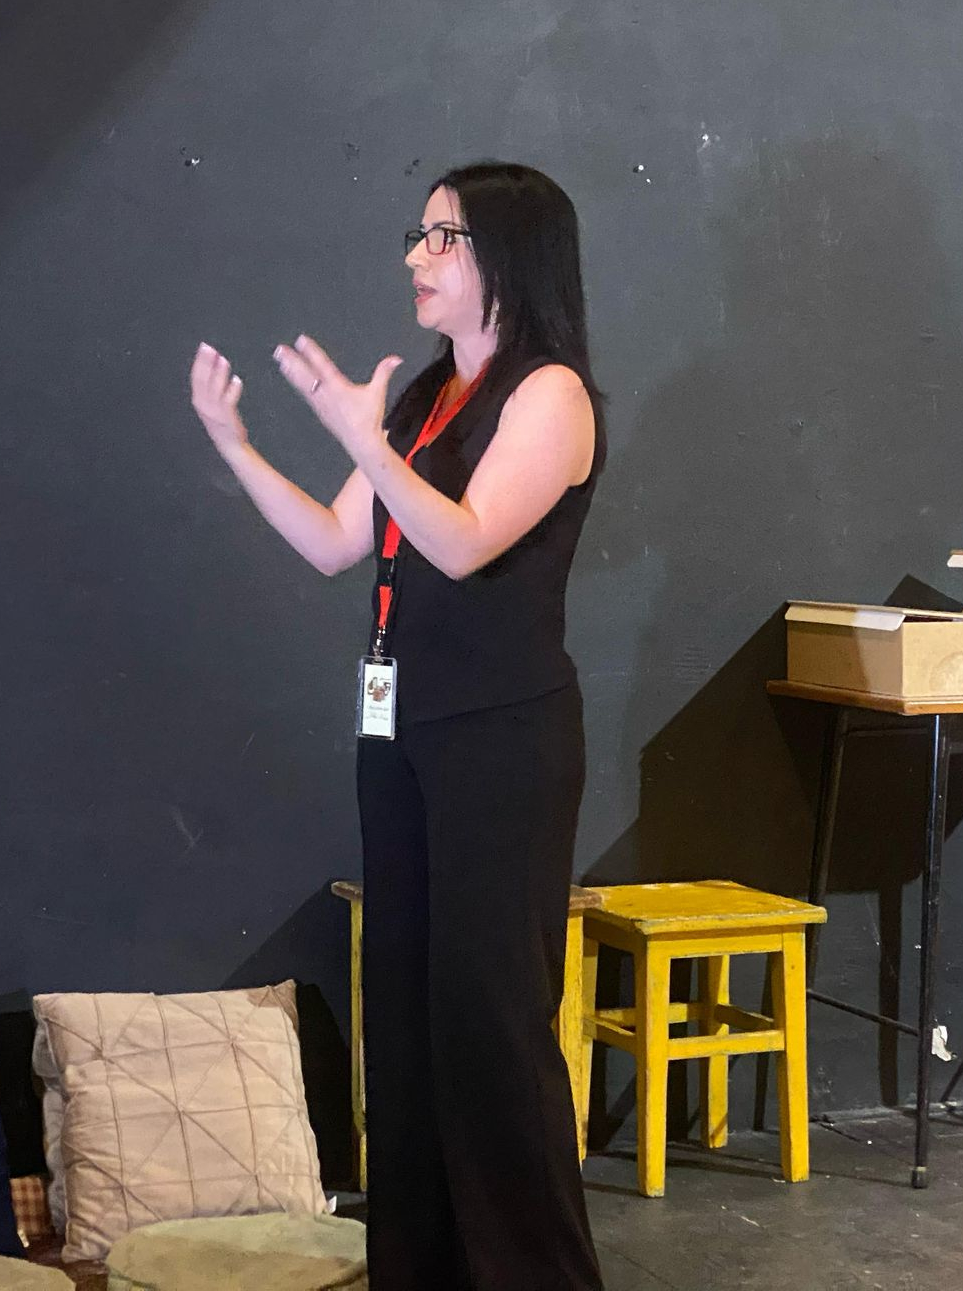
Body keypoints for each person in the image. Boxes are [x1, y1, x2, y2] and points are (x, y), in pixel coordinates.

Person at [187, 161, 606, 1291]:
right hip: (401, 735)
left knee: (493, 1025)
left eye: (441, 238)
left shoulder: (549, 396)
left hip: (501, 743)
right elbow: (338, 542)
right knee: (409, 1023)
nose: (416, 258)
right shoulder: (428, 397)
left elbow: (463, 541)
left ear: (507, 256)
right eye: (417, 236)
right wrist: (235, 443)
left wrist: (366, 441)